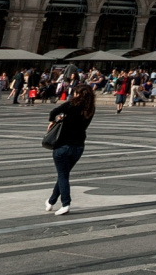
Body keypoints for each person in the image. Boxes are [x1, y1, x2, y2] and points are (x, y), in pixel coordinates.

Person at [44, 80, 94, 215]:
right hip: (78, 147)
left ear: (78, 94)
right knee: (63, 175)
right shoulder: (89, 109)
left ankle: (66, 203)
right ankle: (51, 200)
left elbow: (53, 111)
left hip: (63, 145)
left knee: (63, 175)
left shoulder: (71, 104)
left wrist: (53, 121)